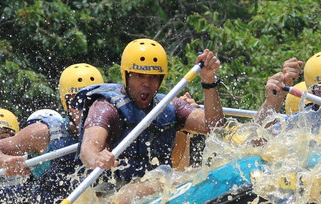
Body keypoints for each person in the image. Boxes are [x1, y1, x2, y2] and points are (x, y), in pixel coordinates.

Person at [78, 39, 224, 184]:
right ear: (126, 75)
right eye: (140, 76)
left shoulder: (169, 105)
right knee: (161, 181)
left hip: (158, 189)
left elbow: (214, 126)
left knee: (173, 178)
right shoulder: (105, 107)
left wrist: (209, 81)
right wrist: (97, 158)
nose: (146, 83)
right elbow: (88, 150)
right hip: (113, 196)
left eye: (153, 77)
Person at [0, 63, 104, 204]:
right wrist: (6, 161)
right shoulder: (43, 134)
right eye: (76, 102)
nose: (84, 110)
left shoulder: (117, 129)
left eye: (92, 101)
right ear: (65, 103)